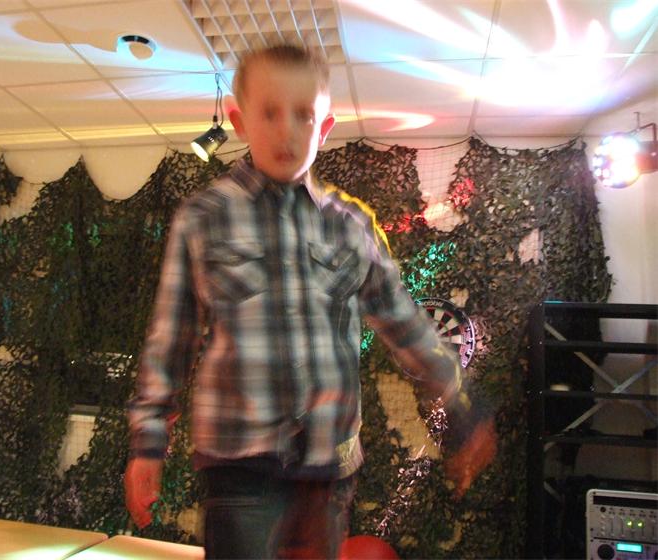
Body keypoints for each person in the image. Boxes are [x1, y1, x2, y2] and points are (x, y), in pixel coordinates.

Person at [125, 44, 497, 559]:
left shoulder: (351, 223)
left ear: (324, 129)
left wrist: (463, 407)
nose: (287, 131)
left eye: (303, 115)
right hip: (238, 464)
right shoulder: (203, 217)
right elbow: (171, 341)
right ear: (239, 121)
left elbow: (404, 324)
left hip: (328, 468)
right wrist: (147, 446)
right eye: (270, 113)